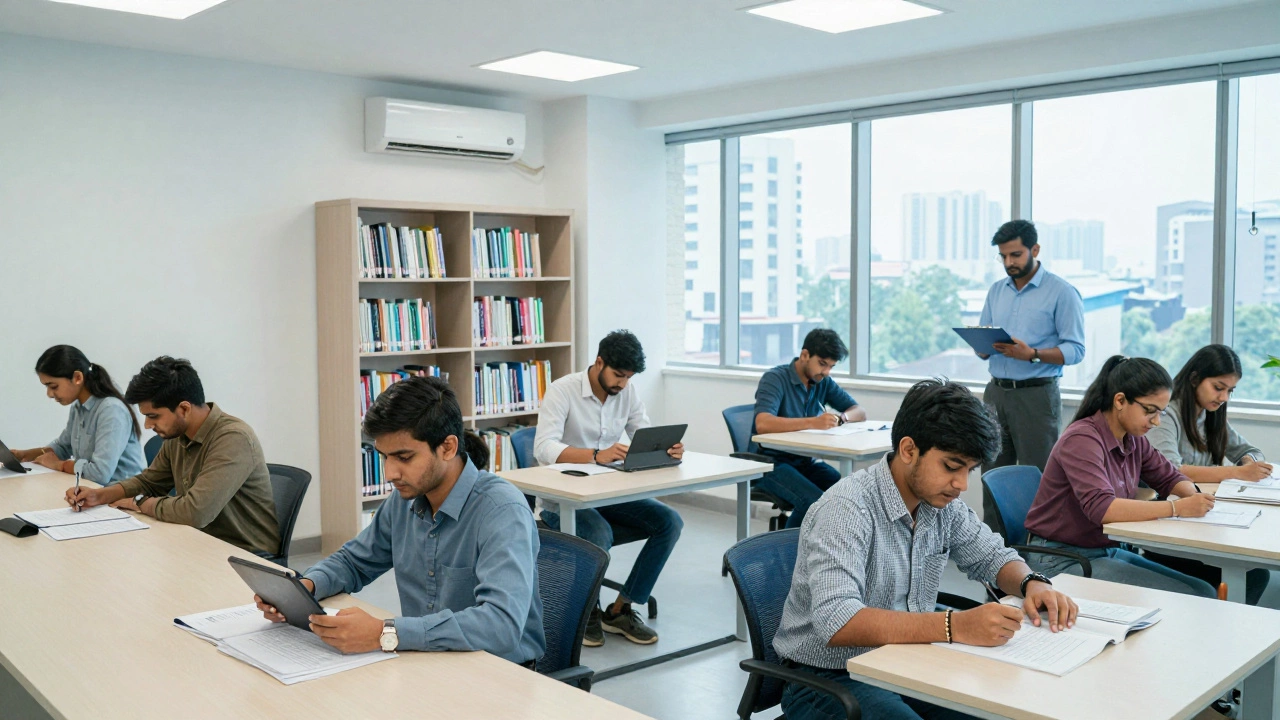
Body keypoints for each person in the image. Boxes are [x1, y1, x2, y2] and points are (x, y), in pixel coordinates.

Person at [773, 379, 1078, 720]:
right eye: (951, 466)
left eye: (970, 470)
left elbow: (993, 556)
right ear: (908, 450)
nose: (962, 484)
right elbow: (838, 621)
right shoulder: (848, 508)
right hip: (827, 675)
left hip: (905, 659)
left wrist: (1031, 583)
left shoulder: (941, 506)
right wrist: (955, 626)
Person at [255, 377, 545, 665]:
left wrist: (385, 633)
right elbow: (354, 562)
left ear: (447, 447)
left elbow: (500, 625)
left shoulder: (501, 511)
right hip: (426, 662)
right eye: (384, 457)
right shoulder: (404, 501)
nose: (390, 473)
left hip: (498, 677)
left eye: (404, 457)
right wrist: (306, 587)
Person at [534, 329, 683, 647]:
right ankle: (585, 610)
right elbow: (543, 447)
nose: (622, 384)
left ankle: (620, 608)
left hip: (608, 494)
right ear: (599, 362)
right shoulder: (563, 391)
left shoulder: (626, 393)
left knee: (670, 522)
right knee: (599, 535)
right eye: (618, 375)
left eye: (628, 377)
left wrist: (665, 447)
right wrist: (594, 456)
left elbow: (645, 430)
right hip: (563, 501)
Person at [1022, 356, 1217, 598]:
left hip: (1103, 550)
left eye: (1161, 413)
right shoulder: (1082, 439)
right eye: (1150, 411)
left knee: (1202, 589)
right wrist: (1176, 508)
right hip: (1060, 560)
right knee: (1195, 596)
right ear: (1120, 400)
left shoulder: (1132, 438)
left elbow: (1168, 476)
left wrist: (1196, 497)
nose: (1156, 421)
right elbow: (1103, 509)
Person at [64, 356, 280, 557]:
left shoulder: (233, 438)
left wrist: (139, 502)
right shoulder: (179, 435)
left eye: (153, 416)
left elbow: (195, 512)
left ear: (184, 409)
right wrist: (100, 496)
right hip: (196, 542)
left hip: (245, 557)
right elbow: (149, 482)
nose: (148, 425)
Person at [1145, 344, 1271, 604]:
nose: (1223, 397)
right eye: (1218, 387)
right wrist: (1237, 472)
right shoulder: (1167, 413)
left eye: (1230, 391)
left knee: (1258, 573)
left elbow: (1250, 450)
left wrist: (1250, 462)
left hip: (1201, 518)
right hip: (1169, 526)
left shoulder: (1211, 415)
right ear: (1195, 379)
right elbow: (1171, 470)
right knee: (1255, 575)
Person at [978, 220, 1086, 472]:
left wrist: (1032, 355)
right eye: (1003, 256)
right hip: (995, 394)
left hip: (1035, 396)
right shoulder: (996, 291)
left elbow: (1076, 350)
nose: (1008, 263)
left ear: (1035, 250)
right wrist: (982, 347)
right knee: (991, 476)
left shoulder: (1062, 292)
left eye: (1015, 255)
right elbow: (984, 333)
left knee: (1037, 479)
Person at [752, 328, 866, 527]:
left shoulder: (822, 381)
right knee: (812, 501)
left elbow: (859, 411)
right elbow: (762, 423)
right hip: (770, 463)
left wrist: (842, 417)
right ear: (805, 355)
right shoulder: (775, 378)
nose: (826, 372)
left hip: (805, 461)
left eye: (831, 366)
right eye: (822, 364)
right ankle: (788, 555)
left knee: (847, 492)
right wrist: (814, 422)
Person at [11, 345, 145, 486]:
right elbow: (63, 447)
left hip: (123, 499)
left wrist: (60, 465)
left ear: (77, 377)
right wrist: (23, 455)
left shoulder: (112, 410)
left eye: (53, 386)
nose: (49, 394)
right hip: (92, 492)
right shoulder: (78, 406)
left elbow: (99, 474)